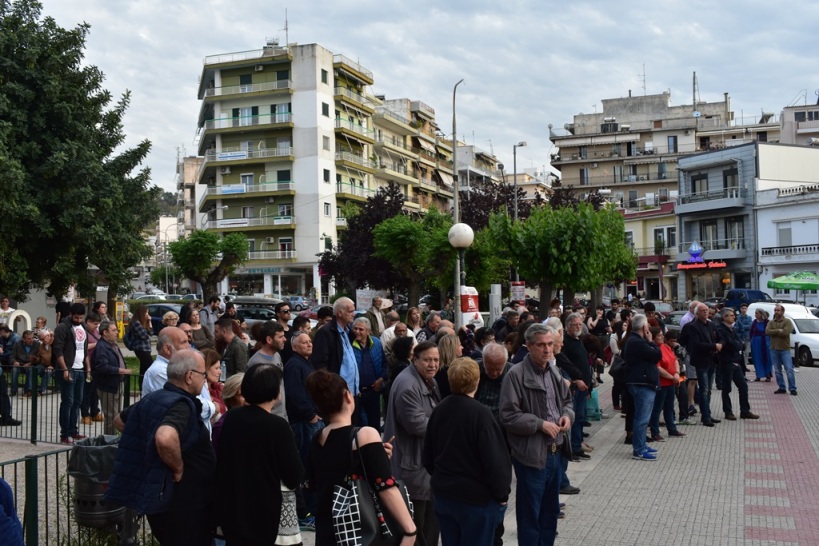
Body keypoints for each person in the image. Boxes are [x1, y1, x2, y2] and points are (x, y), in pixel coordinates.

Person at [106, 350, 215, 546]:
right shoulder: (181, 405)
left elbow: (120, 421)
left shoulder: (154, 397)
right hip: (183, 504)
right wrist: (177, 466)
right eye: (203, 375)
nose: (205, 380)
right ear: (190, 376)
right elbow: (165, 437)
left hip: (164, 498)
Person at [306, 369, 417, 546]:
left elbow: (319, 481)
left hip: (330, 529)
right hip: (361, 531)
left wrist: (377, 456)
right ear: (348, 396)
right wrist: (410, 530)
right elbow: (385, 487)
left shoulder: (318, 438)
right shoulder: (365, 434)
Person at [423, 358, 512, 546]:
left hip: (445, 494)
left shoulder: (440, 409)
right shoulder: (481, 414)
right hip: (475, 500)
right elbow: (495, 462)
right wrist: (502, 495)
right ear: (477, 381)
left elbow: (428, 456)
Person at [499, 323, 572, 546]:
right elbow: (508, 415)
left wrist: (567, 416)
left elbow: (568, 401)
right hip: (531, 457)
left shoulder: (554, 371)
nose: (547, 350)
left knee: (550, 515)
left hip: (556, 453)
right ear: (528, 346)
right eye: (541, 345)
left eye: (550, 344)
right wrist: (540, 424)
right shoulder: (515, 374)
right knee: (530, 516)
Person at [215, 364, 304, 545]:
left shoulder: (233, 417)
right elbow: (293, 474)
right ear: (274, 390)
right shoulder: (277, 426)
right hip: (266, 510)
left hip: (234, 506)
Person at [383, 341, 442, 546]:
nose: (432, 364)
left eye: (436, 359)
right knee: (418, 530)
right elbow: (416, 424)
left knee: (428, 527)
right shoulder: (408, 385)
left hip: (421, 467)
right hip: (412, 468)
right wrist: (447, 426)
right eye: (427, 360)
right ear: (414, 360)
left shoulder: (427, 381)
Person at [624, 314, 661, 461]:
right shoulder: (637, 342)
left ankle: (642, 445)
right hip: (642, 384)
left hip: (643, 382)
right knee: (641, 419)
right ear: (645, 327)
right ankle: (639, 450)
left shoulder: (637, 340)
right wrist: (652, 341)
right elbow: (657, 355)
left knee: (642, 417)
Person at [678, 304, 722, 427]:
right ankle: (705, 416)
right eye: (702, 311)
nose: (705, 312)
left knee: (708, 391)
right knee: (704, 389)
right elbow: (696, 344)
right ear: (697, 313)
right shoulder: (693, 326)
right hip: (701, 361)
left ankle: (707, 413)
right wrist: (713, 346)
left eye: (707, 310)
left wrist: (720, 345)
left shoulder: (711, 324)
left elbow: (720, 338)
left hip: (712, 360)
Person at [53, 303, 90, 444]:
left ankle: (74, 431)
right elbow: (58, 350)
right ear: (71, 314)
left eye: (81, 317)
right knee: (68, 401)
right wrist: (65, 369)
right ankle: (65, 433)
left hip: (80, 369)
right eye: (76, 317)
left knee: (77, 401)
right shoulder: (63, 327)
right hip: (69, 368)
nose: (79, 320)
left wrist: (88, 367)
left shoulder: (83, 327)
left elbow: (83, 349)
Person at [716, 309, 760, 420]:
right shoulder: (721, 329)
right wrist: (737, 345)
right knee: (727, 388)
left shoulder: (732, 329)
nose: (733, 317)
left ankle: (745, 411)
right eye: (731, 316)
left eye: (733, 315)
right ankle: (728, 411)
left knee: (743, 386)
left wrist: (738, 345)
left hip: (736, 362)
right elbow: (730, 344)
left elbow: (740, 343)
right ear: (724, 317)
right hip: (727, 362)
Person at [92, 320, 132, 435]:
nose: (117, 333)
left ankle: (114, 439)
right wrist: (122, 371)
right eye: (114, 330)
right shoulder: (102, 347)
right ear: (105, 332)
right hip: (107, 386)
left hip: (117, 384)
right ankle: (109, 442)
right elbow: (102, 367)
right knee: (111, 417)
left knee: (117, 415)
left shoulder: (113, 344)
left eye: (117, 330)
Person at [311, 297, 358, 395]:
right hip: (337, 392)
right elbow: (320, 364)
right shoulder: (325, 333)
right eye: (351, 311)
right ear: (339, 313)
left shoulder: (348, 331)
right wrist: (330, 388)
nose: (354, 314)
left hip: (352, 391)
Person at [562, 313, 592, 460]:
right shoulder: (565, 342)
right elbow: (565, 365)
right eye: (575, 325)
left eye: (580, 324)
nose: (579, 327)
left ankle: (577, 445)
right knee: (574, 417)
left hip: (583, 387)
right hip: (574, 387)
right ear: (568, 326)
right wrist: (575, 380)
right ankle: (572, 448)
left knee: (581, 417)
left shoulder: (578, 340)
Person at [647, 328, 685, 442]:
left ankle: (672, 429)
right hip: (661, 383)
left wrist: (677, 374)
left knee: (669, 407)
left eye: (662, 335)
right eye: (659, 335)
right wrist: (672, 377)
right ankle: (655, 432)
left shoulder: (666, 347)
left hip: (671, 382)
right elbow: (657, 367)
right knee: (657, 408)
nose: (662, 337)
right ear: (653, 337)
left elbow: (675, 360)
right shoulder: (654, 349)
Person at [247, 320, 288, 421]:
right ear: (269, 339)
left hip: (281, 416)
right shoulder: (256, 363)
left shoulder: (277, 355)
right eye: (280, 337)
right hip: (267, 420)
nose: (285, 339)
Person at [351, 317, 387, 431]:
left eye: (361, 329)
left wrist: (381, 380)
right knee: (361, 425)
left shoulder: (376, 343)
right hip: (357, 392)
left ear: (368, 331)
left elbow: (385, 364)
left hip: (373, 391)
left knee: (374, 423)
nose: (357, 332)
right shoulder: (349, 345)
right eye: (355, 329)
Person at [766, 304, 797, 395]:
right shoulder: (771, 322)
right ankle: (781, 387)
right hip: (774, 348)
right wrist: (779, 330)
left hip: (784, 349)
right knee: (777, 370)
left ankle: (792, 388)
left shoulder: (787, 321)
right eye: (775, 310)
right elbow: (767, 332)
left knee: (789, 369)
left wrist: (775, 331)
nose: (776, 312)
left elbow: (786, 333)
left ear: (782, 312)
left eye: (778, 310)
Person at [80, 312, 103, 425]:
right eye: (94, 323)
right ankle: (85, 414)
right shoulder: (84, 333)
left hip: (96, 365)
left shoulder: (96, 332)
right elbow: (83, 348)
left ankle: (95, 411)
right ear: (88, 322)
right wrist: (97, 344)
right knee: (87, 391)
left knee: (95, 391)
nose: (96, 326)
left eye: (98, 324)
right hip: (87, 364)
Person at [10, 330, 41, 397]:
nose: (31, 340)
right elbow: (12, 356)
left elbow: (39, 358)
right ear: (23, 339)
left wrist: (31, 363)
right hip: (20, 364)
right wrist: (14, 362)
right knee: (14, 370)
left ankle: (28, 390)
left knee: (30, 370)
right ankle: (13, 390)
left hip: (31, 364)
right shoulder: (17, 344)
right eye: (29, 339)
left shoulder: (37, 344)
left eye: (32, 338)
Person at [128, 305, 154, 381]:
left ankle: (141, 388)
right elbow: (145, 336)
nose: (147, 315)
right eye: (146, 312)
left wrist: (149, 321)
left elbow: (151, 333)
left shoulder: (143, 323)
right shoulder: (136, 323)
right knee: (151, 366)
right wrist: (147, 332)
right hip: (141, 349)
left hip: (146, 349)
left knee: (144, 369)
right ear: (142, 313)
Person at [749, 309, 773, 382]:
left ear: (761, 314)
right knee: (757, 358)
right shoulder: (754, 322)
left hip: (765, 341)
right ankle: (758, 375)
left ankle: (767, 374)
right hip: (756, 342)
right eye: (755, 313)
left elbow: (770, 332)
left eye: (757, 313)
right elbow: (751, 332)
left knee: (768, 358)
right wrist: (752, 340)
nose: (755, 315)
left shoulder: (767, 322)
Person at [201, 349, 226, 418]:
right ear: (206, 368)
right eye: (217, 368)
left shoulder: (220, 389)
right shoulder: (201, 393)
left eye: (220, 368)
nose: (220, 372)